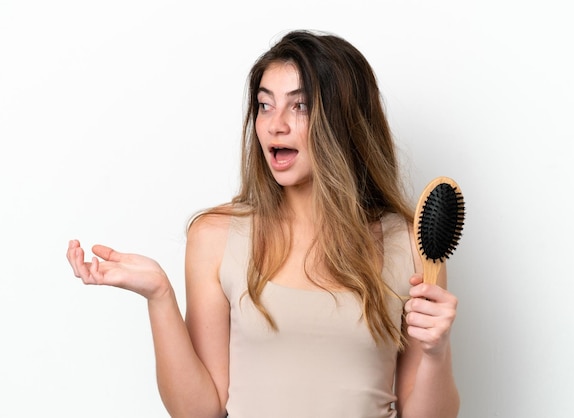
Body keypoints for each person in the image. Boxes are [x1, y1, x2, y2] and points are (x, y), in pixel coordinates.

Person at [66, 29, 460, 418]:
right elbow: (200, 410)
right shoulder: (216, 238)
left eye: (300, 106)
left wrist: (435, 350)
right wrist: (160, 296)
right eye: (265, 105)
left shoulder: (412, 245)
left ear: (344, 121)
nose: (275, 125)